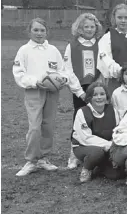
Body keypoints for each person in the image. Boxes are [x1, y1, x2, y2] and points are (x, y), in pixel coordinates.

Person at [13, 18, 68, 177]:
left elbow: (62, 70)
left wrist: (61, 80)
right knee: (35, 126)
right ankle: (31, 160)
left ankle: (44, 158)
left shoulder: (53, 50)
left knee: (48, 125)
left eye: (42, 30)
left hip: (52, 92)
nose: (39, 33)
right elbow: (19, 73)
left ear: (47, 32)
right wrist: (35, 82)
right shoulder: (24, 50)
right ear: (29, 31)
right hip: (34, 91)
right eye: (35, 30)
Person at [64, 13, 103, 169]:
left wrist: (98, 87)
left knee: (99, 119)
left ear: (96, 28)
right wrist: (80, 92)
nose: (89, 29)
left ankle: (97, 152)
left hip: (97, 88)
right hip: (80, 89)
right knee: (79, 120)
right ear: (79, 28)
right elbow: (68, 70)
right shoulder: (72, 45)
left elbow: (103, 66)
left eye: (92, 27)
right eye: (85, 26)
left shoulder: (100, 44)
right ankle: (74, 154)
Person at [72, 81, 120, 183]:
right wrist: (110, 145)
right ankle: (87, 168)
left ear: (106, 96)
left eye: (102, 94)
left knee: (116, 175)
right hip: (83, 146)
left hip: (108, 147)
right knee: (97, 152)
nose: (99, 97)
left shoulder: (112, 110)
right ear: (89, 97)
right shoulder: (82, 112)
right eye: (95, 95)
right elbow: (85, 138)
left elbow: (117, 130)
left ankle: (99, 166)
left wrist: (113, 143)